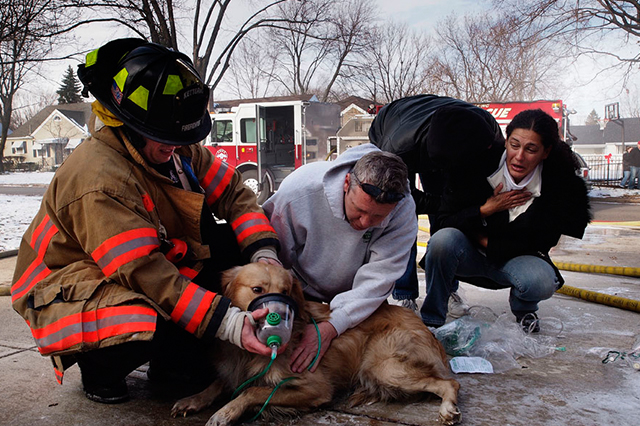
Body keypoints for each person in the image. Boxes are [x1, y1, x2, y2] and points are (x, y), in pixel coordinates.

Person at [10, 38, 280, 404]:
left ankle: (171, 362)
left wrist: (264, 254)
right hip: (64, 289)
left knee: (227, 247)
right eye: (163, 139)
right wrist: (228, 324)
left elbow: (234, 194)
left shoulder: (172, 144)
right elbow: (147, 274)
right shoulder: (99, 180)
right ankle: (99, 368)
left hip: (138, 265)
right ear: (128, 124)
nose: (174, 148)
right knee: (146, 314)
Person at [421, 109, 591, 332]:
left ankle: (524, 309)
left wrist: (486, 242)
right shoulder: (474, 166)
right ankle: (432, 319)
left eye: (531, 149)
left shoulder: (560, 186)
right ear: (506, 142)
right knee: (443, 240)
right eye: (514, 145)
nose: (519, 156)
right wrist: (484, 210)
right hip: (467, 255)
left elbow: (540, 243)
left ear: (546, 152)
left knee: (540, 280)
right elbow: (444, 220)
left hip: (514, 260)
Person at [262, 144, 417, 373]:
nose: (364, 223)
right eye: (359, 210)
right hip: (300, 288)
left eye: (377, 217)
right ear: (346, 183)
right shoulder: (300, 191)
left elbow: (380, 278)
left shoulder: (402, 211)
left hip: (358, 294)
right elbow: (272, 256)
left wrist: (333, 325)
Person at [369, 94, 505, 313]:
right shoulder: (397, 149)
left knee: (446, 219)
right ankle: (405, 293)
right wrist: (444, 204)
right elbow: (402, 197)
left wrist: (457, 207)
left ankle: (445, 287)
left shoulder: (487, 133)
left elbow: (470, 193)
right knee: (403, 216)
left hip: (447, 128)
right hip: (394, 125)